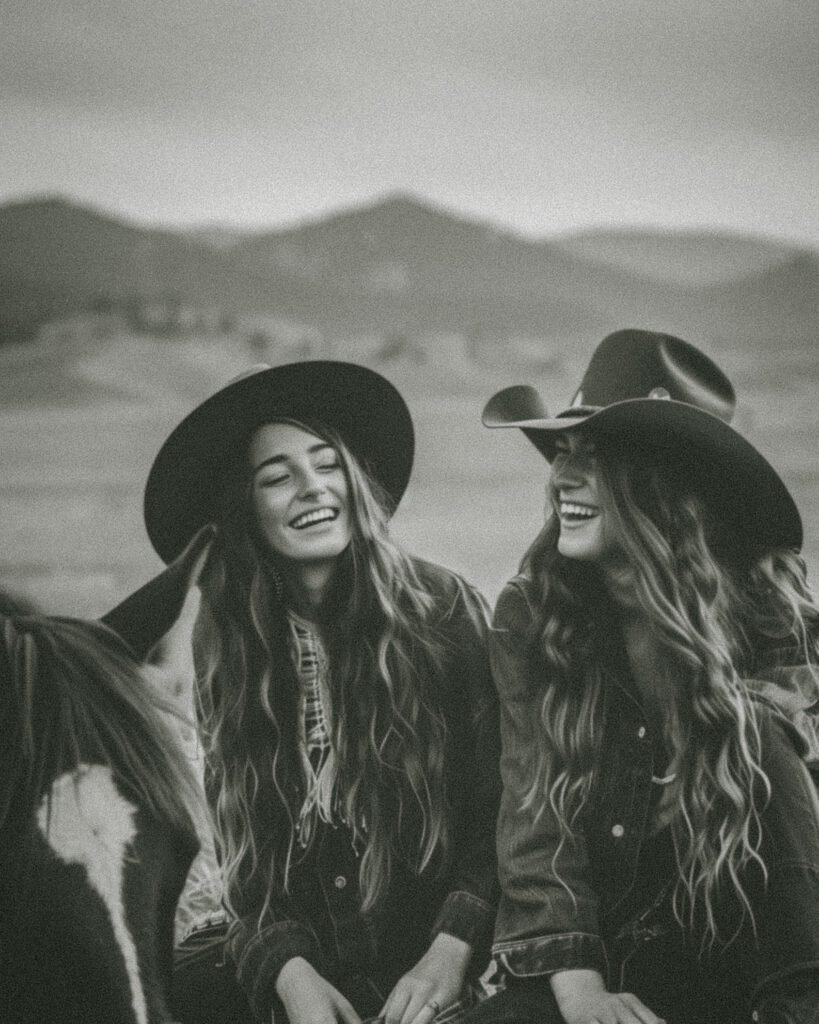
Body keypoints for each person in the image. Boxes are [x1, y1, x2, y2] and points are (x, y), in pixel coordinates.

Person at [105, 361, 501, 1024]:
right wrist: (290, 977)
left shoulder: (443, 610)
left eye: (326, 463)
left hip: (435, 966)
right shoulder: (225, 638)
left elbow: (499, 808)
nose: (313, 488)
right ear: (245, 506)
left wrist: (451, 950)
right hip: (311, 968)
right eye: (277, 476)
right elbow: (245, 854)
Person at [466, 329, 819, 1024]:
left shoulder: (766, 601)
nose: (561, 478)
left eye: (592, 458)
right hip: (600, 948)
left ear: (659, 483)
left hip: (741, 938)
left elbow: (792, 811)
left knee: (753, 732)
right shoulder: (532, 613)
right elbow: (533, 818)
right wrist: (582, 992)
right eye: (561, 452)